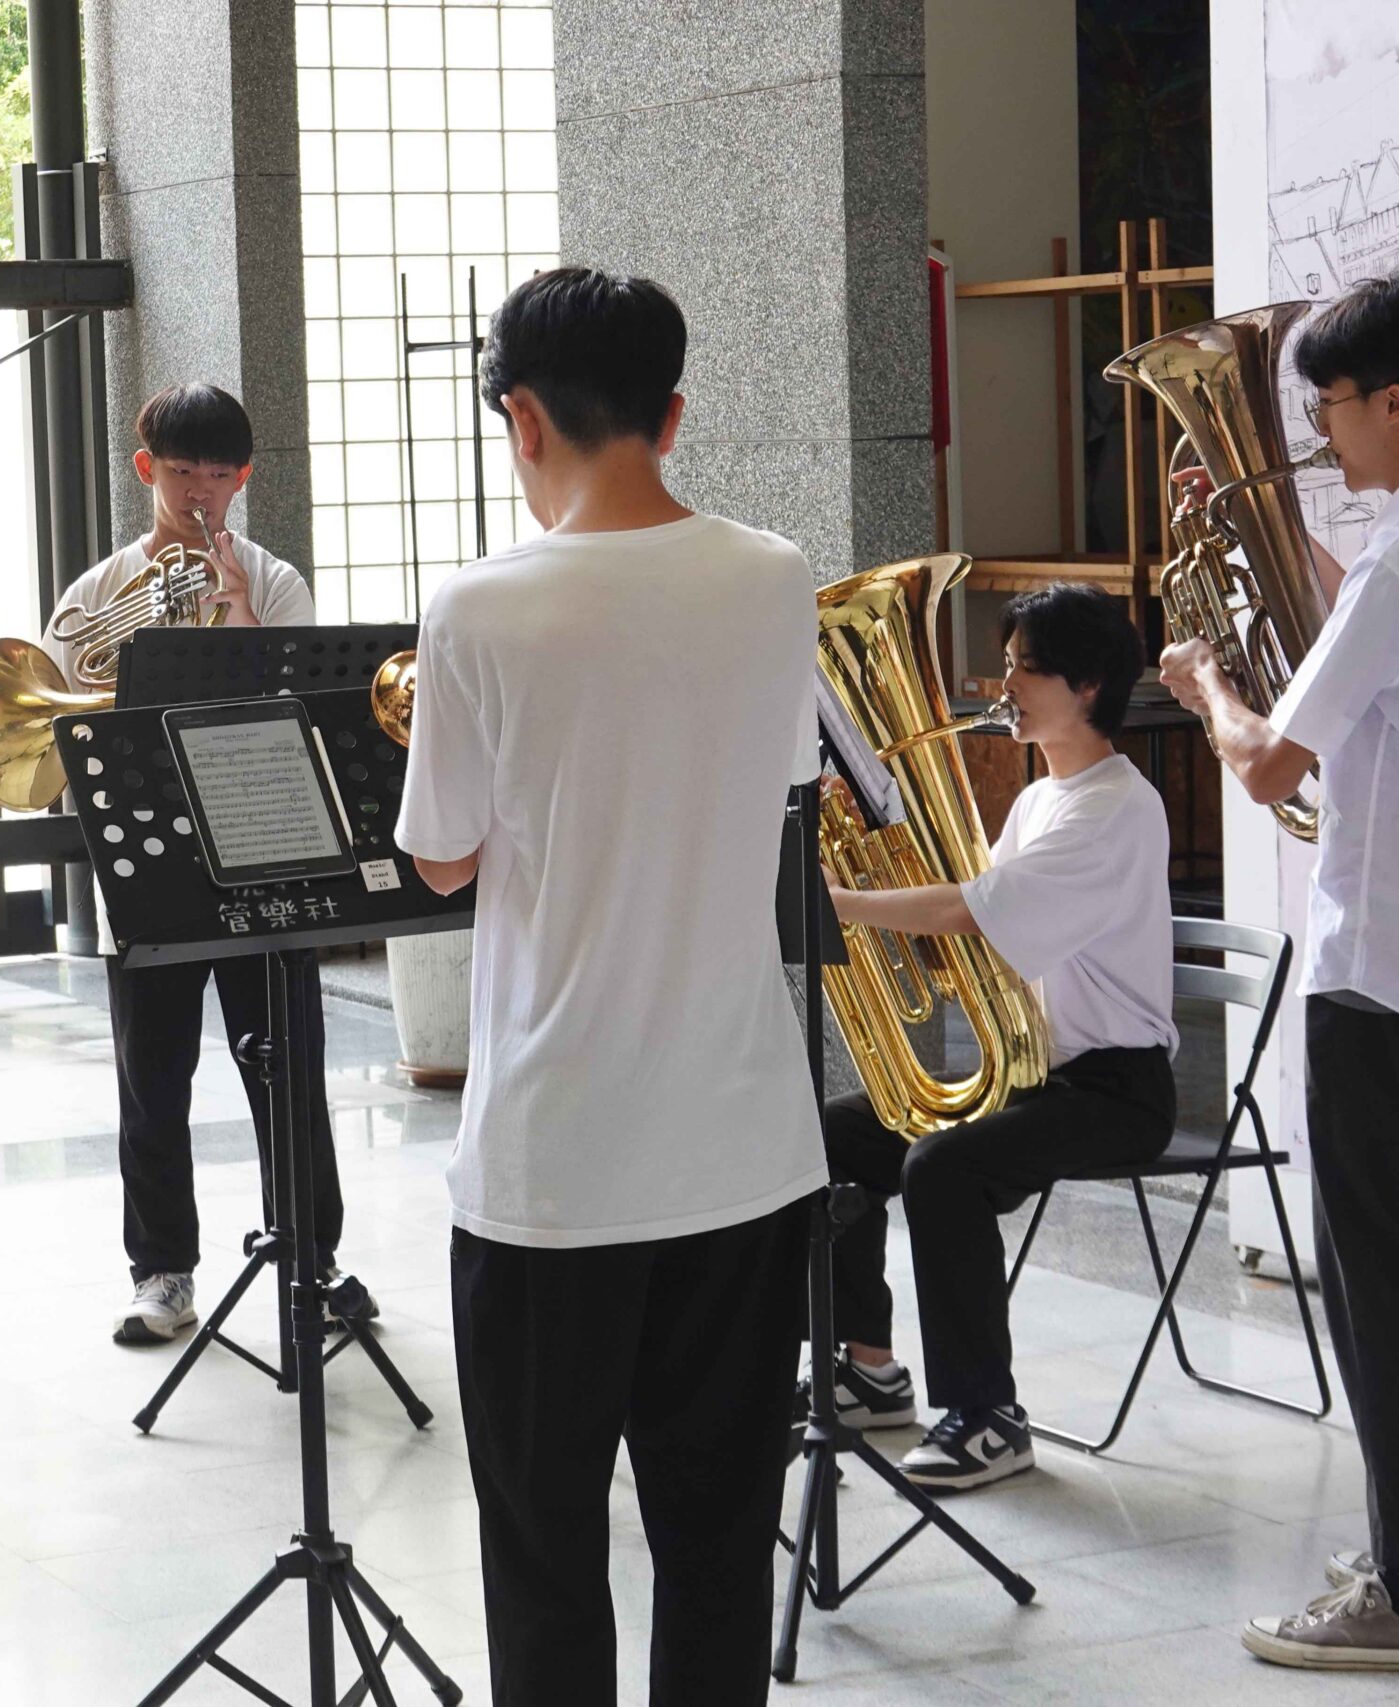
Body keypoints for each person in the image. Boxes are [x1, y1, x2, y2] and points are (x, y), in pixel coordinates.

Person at [397, 267, 824, 1706]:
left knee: (545, 1556)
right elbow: (772, 780)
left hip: (554, 1164)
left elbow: (441, 858)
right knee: (717, 1547)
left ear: (521, 418)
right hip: (744, 1149)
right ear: (673, 412)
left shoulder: (477, 607)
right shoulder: (775, 576)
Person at [1159, 265, 1399, 1674]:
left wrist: (1204, 681)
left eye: (1327, 403)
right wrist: (1296, 563)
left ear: (1396, 400)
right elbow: (1382, 636)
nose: (1318, 431)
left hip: (1378, 959)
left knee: (1372, 1268)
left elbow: (1271, 764)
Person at [817, 582, 1176, 1490]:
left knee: (945, 1168)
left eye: (1024, 669)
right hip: (1037, 1077)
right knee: (829, 1136)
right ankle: (869, 1367)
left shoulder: (1115, 807)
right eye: (1006, 664)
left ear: (1087, 685)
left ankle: (988, 1416)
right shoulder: (1041, 799)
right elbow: (976, 944)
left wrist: (843, 901)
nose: (1002, 685)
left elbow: (972, 911)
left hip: (1115, 1090)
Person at [44, 384, 368, 1346]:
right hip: (146, 861)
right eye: (182, 470)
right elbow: (59, 741)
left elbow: (296, 721)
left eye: (219, 474)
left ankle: (312, 1258)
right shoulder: (95, 597)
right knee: (152, 1079)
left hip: (264, 857)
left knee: (288, 1068)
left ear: (244, 479)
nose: (200, 492)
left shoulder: (275, 583)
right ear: (147, 468)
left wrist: (237, 614)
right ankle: (162, 1272)